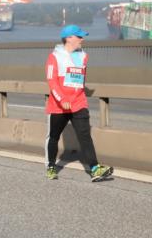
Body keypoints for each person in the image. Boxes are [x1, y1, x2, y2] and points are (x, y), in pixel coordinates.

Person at [45, 25, 113, 182]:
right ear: (69, 38)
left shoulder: (84, 56)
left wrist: (77, 96)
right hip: (59, 105)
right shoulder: (54, 57)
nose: (82, 39)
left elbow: (80, 81)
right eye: (79, 36)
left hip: (78, 102)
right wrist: (62, 99)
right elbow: (52, 81)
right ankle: (50, 166)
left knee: (85, 136)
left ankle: (95, 169)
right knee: (53, 137)